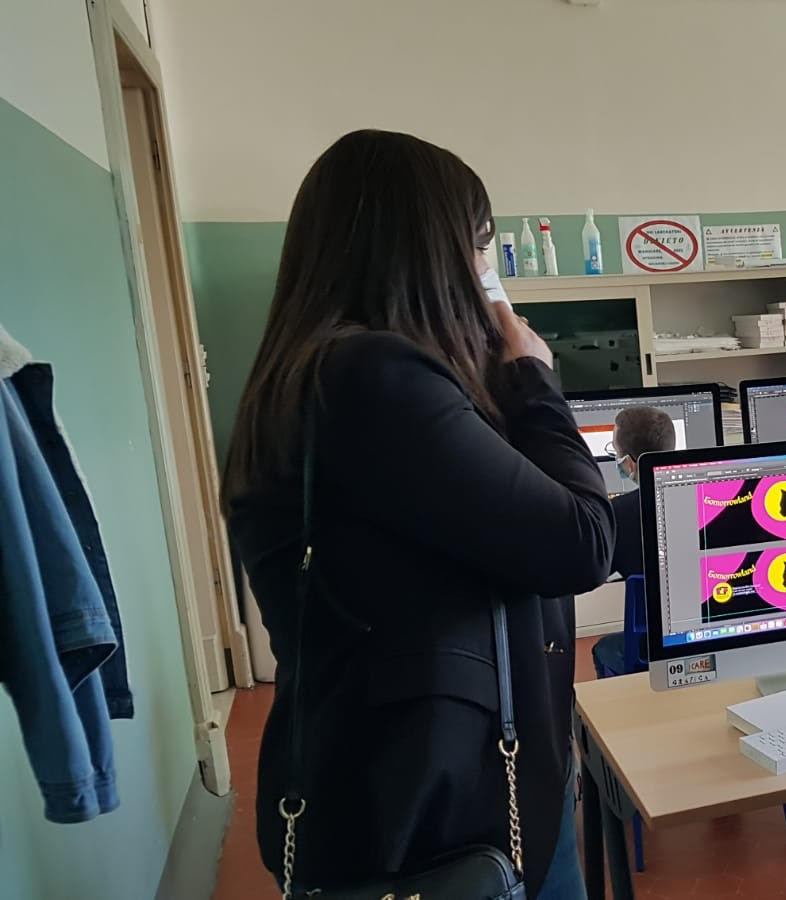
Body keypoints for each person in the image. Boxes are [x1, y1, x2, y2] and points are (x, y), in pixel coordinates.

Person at [223, 130, 614, 895]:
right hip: (446, 828)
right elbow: (579, 543)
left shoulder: (316, 376)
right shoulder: (375, 379)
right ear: (432, 253)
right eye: (482, 247)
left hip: (436, 796)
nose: (488, 274)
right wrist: (535, 381)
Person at [591, 406, 676, 677]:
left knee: (604, 648)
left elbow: (596, 573)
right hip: (708, 635)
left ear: (629, 463)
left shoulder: (618, 514)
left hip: (650, 648)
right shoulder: (707, 499)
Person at [606, 406, 678, 579]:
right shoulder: (699, 500)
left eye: (616, 452)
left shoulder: (617, 514)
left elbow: (592, 573)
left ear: (629, 463)